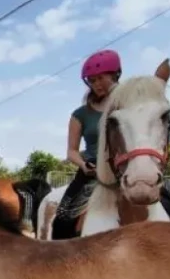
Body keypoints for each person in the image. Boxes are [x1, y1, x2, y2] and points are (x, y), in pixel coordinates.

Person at [50, 49, 121, 240]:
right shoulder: (80, 114)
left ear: (116, 75)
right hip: (91, 172)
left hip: (125, 171)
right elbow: (71, 151)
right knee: (62, 220)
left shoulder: (127, 108)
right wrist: (83, 165)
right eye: (92, 80)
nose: (96, 84)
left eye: (101, 78)